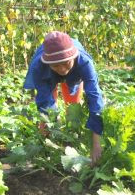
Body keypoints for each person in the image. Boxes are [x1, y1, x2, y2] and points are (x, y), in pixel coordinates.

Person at [24, 31, 104, 164]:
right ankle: (45, 143)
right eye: (56, 65)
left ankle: (72, 132)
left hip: (75, 71)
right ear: (48, 63)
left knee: (73, 106)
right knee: (47, 114)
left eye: (66, 63)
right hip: (47, 72)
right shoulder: (39, 66)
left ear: (73, 57)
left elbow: (95, 98)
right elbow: (44, 99)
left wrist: (97, 142)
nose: (61, 69)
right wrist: (55, 124)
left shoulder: (84, 63)